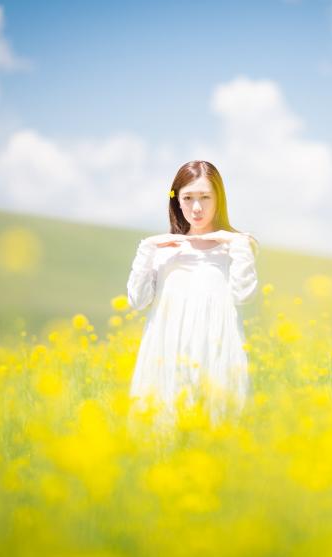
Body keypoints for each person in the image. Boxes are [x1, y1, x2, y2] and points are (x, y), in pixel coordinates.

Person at [125, 160, 259, 430]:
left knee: (216, 434)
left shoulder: (235, 246)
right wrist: (147, 249)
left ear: (219, 199)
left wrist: (240, 245)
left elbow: (244, 294)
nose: (197, 208)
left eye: (205, 197)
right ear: (176, 200)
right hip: (166, 354)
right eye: (188, 197)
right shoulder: (161, 249)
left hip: (217, 353)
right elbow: (137, 301)